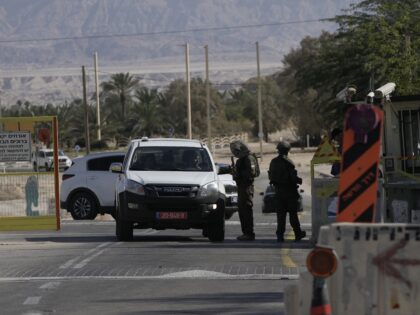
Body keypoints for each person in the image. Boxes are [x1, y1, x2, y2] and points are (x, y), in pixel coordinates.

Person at [268, 141, 306, 242]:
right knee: (293, 215)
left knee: (281, 215)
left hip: (279, 192)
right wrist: (299, 180)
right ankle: (298, 234)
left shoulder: (273, 161)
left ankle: (280, 236)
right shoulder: (288, 162)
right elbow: (293, 178)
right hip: (289, 192)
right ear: (288, 150)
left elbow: (271, 177)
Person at [230, 140, 255, 241]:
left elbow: (250, 173)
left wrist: (238, 174)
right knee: (242, 210)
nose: (235, 153)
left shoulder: (248, 158)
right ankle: (246, 232)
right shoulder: (242, 160)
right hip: (242, 187)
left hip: (246, 188)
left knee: (246, 210)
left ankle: (249, 233)